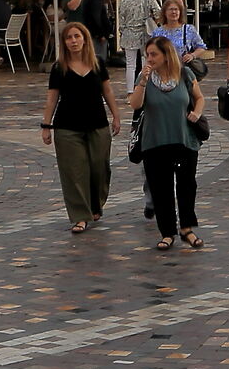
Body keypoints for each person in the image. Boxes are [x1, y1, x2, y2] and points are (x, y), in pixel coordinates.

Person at [42, 21, 120, 234]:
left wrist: (116, 115)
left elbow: (108, 91)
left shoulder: (98, 64)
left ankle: (95, 204)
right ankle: (80, 216)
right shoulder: (59, 68)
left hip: (97, 124)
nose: (73, 41)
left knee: (99, 168)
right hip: (67, 127)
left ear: (85, 39)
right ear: (64, 43)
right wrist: (46, 125)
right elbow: (51, 99)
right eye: (69, 38)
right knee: (74, 172)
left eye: (77, 36)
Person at [131, 35, 208, 251]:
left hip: (184, 140)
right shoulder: (144, 76)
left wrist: (196, 113)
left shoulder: (184, 73)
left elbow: (199, 97)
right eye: (147, 55)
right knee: (161, 188)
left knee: (186, 185)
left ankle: (187, 229)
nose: (150, 58)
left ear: (166, 55)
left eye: (154, 54)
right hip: (154, 142)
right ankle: (167, 232)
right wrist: (143, 81)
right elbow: (135, 104)